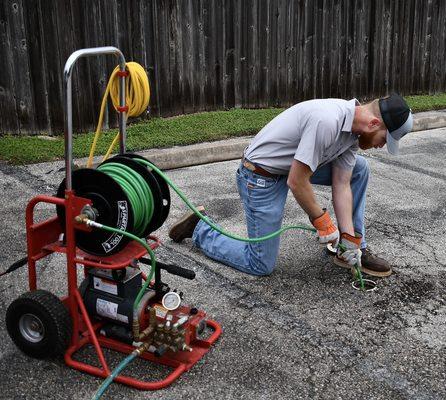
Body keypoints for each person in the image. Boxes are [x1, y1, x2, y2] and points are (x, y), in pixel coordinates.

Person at [168, 93, 413, 277]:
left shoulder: (353, 134)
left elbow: (342, 184)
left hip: (291, 168)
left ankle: (352, 248)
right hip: (260, 177)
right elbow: (297, 181)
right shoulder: (327, 120)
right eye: (384, 139)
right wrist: (322, 221)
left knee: (359, 168)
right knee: (260, 264)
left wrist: (347, 236)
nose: (382, 146)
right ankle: (199, 228)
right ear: (373, 124)